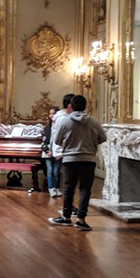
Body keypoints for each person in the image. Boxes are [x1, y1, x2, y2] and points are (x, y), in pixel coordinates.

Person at [48, 95, 107, 231]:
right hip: (89, 159)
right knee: (85, 189)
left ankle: (66, 217)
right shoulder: (93, 121)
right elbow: (103, 137)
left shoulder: (65, 121)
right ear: (85, 106)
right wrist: (90, 143)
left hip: (70, 159)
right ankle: (81, 219)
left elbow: (57, 140)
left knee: (68, 188)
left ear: (71, 106)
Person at [42, 106, 61, 197]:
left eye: (53, 113)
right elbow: (44, 141)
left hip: (57, 151)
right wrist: (47, 150)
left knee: (56, 171)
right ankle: (50, 188)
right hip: (48, 151)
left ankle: (57, 188)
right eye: (50, 113)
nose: (51, 115)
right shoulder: (47, 127)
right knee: (49, 170)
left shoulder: (60, 126)